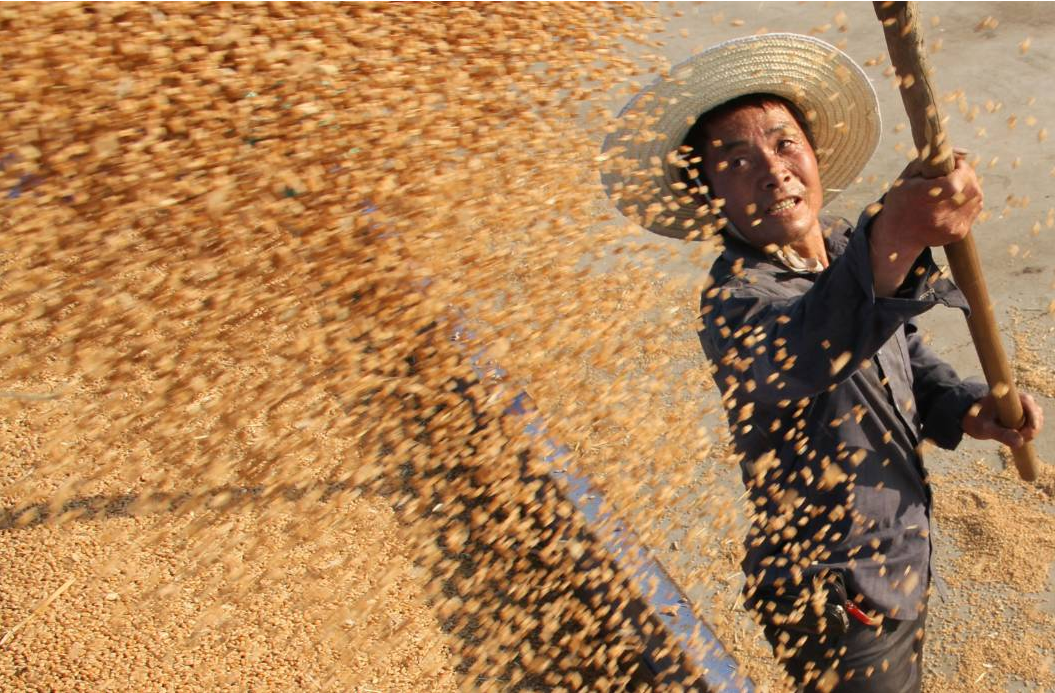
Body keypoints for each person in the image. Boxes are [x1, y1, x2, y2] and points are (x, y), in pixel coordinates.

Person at [600, 34, 1044, 692]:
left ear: (812, 152)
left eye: (783, 143)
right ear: (708, 193)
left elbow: (899, 355)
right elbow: (815, 345)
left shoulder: (842, 240)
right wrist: (894, 234)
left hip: (895, 553)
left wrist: (965, 406)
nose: (770, 168)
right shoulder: (733, 302)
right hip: (832, 592)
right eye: (734, 159)